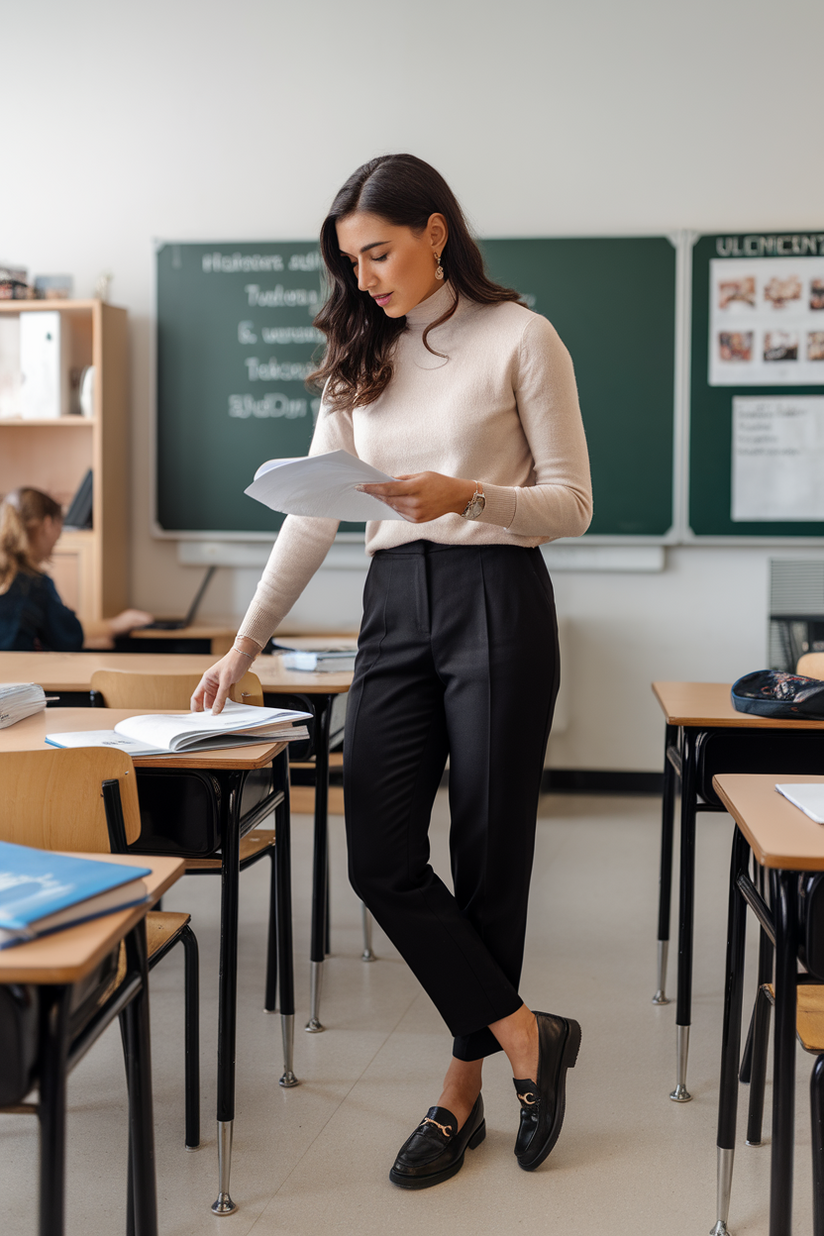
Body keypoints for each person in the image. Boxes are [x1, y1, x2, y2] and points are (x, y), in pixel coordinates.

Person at [192, 154, 593, 1188]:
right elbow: (311, 513)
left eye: (376, 252)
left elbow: (571, 503)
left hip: (495, 596)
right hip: (394, 607)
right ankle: (524, 1034)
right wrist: (245, 643)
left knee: (489, 853)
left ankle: (457, 1096)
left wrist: (469, 492)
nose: (363, 277)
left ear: (432, 232)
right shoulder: (356, 358)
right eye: (350, 262)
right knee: (376, 851)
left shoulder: (520, 337)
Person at [0, 487, 153, 651]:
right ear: (48, 524)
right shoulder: (35, 585)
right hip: (19, 675)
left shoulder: (12, 580)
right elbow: (69, 634)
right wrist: (117, 625)